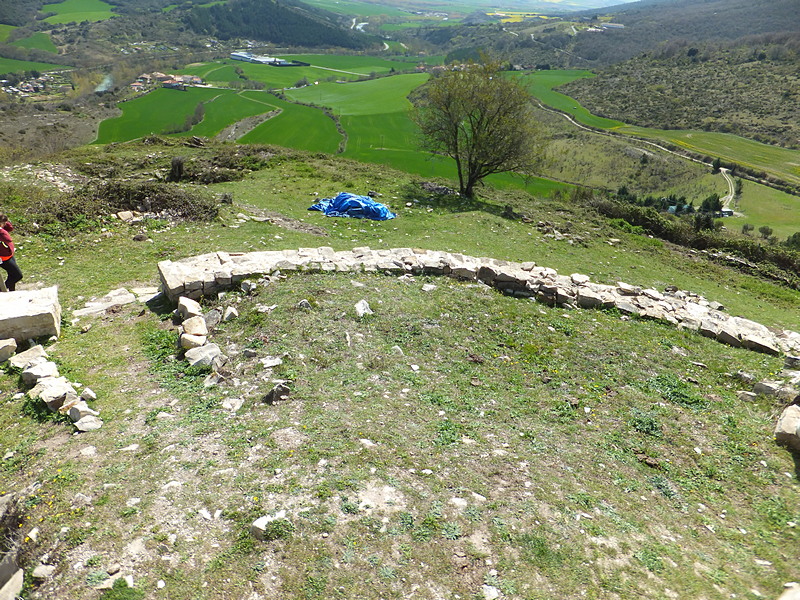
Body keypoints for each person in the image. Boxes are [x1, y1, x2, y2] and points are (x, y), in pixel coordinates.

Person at [0, 213, 23, 292]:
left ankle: (12, 292)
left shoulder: (2, 229)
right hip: (3, 258)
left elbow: (10, 228)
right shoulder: (1, 232)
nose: (4, 225)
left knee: (11, 274)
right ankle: (2, 289)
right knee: (18, 275)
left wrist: (6, 222)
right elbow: (8, 239)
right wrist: (1, 230)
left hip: (9, 255)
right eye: (3, 223)